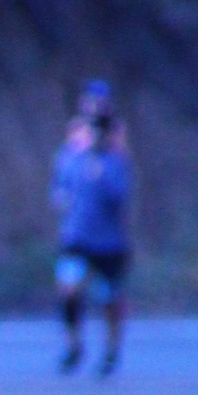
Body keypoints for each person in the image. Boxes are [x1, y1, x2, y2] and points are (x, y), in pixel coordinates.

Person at [51, 82, 132, 376]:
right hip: (77, 237)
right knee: (68, 290)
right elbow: (59, 187)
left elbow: (120, 196)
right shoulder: (71, 152)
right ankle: (73, 345)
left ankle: (111, 350)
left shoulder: (115, 155)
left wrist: (102, 170)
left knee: (109, 298)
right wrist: (61, 198)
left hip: (109, 242)